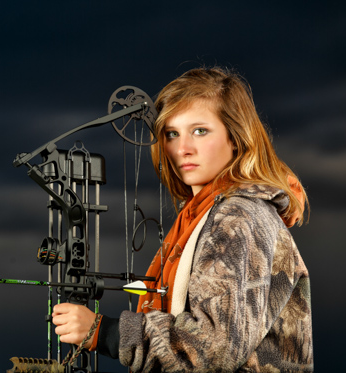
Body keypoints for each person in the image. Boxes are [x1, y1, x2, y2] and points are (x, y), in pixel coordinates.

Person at [52, 67, 313, 372]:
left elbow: (215, 346)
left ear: (235, 137)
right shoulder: (204, 213)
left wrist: (106, 332)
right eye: (172, 134)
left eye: (200, 130)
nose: (183, 149)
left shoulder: (238, 216)